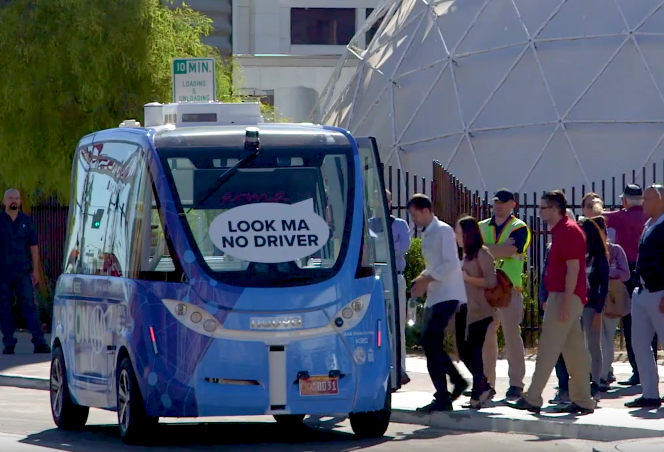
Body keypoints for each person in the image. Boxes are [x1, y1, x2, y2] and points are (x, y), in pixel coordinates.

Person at [508, 190, 595, 415]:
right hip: (561, 296)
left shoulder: (569, 231)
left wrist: (565, 302)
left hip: (566, 296)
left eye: (543, 208)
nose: (540, 212)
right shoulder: (561, 231)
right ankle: (583, 400)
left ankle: (533, 396)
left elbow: (574, 269)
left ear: (555, 209)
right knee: (574, 351)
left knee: (548, 347)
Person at [408, 194, 468, 412]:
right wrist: (422, 278)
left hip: (448, 293)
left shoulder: (443, 230)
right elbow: (434, 265)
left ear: (426, 211)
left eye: (415, 215)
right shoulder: (428, 233)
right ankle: (450, 386)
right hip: (436, 294)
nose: (414, 220)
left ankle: (447, 389)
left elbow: (450, 264)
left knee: (430, 341)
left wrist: (427, 278)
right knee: (429, 343)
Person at [478, 189, 530, 401]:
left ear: (513, 205)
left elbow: (511, 251)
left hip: (510, 289)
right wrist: (499, 248)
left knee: (511, 337)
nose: (498, 205)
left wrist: (485, 248)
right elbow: (470, 250)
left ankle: (516, 383)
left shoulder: (520, 227)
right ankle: (486, 384)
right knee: (486, 338)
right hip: (487, 289)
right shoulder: (481, 225)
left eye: (503, 202)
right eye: (496, 202)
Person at [604, 184, 657, 386]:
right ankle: (647, 372)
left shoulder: (619, 217)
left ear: (625, 200)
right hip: (647, 272)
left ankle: (638, 371)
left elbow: (600, 216)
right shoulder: (649, 218)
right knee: (650, 325)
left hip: (626, 272)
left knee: (631, 323)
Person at [624, 185, 664, 409]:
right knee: (640, 343)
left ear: (660, 201)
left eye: (647, 199)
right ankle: (650, 393)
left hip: (660, 292)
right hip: (641, 291)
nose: (642, 203)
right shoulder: (649, 224)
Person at [0, 189, 50, 354]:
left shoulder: (26, 221)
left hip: (23, 272)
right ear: (4, 201)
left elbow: (33, 247)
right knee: (4, 308)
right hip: (3, 273)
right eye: (10, 198)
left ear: (20, 202)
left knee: (30, 306)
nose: (13, 201)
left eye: (16, 198)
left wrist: (36, 270)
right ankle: (8, 343)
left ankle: (39, 342)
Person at [455, 216, 497, 409]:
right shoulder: (466, 254)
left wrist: (466, 278)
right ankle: (484, 386)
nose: (456, 236)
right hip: (465, 308)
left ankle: (478, 394)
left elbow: (491, 282)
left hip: (482, 310)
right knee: (463, 351)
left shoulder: (482, 253)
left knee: (474, 351)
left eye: (458, 232)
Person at [543, 208, 577, 405]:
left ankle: (575, 390)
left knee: (571, 350)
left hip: (567, 302)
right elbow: (545, 275)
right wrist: (543, 298)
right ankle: (563, 387)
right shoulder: (551, 247)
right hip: (552, 301)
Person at [593, 216, 630, 390]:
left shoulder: (616, 250)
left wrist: (608, 271)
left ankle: (604, 373)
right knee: (598, 338)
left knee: (608, 337)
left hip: (613, 298)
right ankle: (598, 374)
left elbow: (626, 274)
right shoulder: (589, 251)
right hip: (594, 298)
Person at [579, 217, 610, 400]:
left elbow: (603, 286)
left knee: (593, 345)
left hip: (592, 305)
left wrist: (599, 312)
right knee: (578, 345)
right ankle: (580, 380)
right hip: (577, 303)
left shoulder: (599, 256)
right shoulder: (577, 254)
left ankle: (596, 382)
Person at [384, 189, 411, 385]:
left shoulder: (400, 225)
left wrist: (384, 247)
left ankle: (400, 369)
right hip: (376, 277)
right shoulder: (370, 224)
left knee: (397, 325)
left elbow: (402, 249)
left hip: (395, 276)